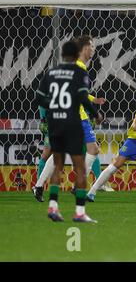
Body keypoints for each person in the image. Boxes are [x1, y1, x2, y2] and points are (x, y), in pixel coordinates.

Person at [32, 35, 109, 202]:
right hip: (77, 117)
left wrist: (92, 100)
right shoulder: (79, 68)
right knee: (92, 150)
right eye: (92, 46)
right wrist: (95, 113)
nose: (94, 50)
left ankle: (38, 186)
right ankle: (78, 184)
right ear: (84, 48)